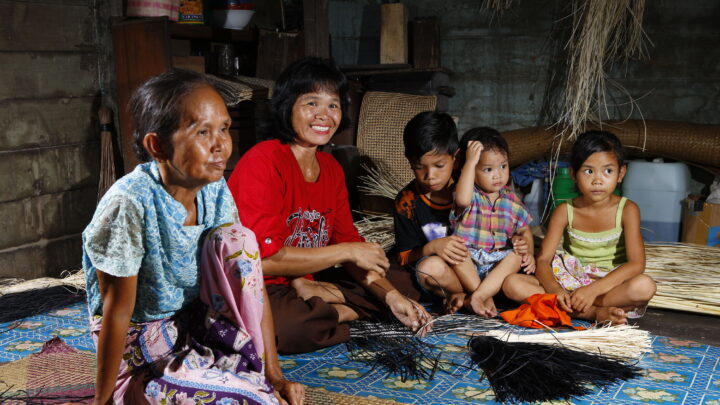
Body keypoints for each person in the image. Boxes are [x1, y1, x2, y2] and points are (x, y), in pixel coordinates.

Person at [82, 69, 303, 405]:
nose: (220, 145)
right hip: (144, 347)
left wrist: (274, 375)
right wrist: (101, 401)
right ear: (158, 146)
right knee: (245, 402)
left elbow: (250, 279)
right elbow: (117, 310)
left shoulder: (215, 190)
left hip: (198, 327)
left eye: (224, 129)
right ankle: (134, 389)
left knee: (240, 242)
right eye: (203, 131)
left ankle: (238, 373)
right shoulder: (129, 203)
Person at [228, 57, 432, 354]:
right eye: (311, 103)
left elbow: (348, 241)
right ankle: (343, 312)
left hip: (309, 281)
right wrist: (348, 252)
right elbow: (263, 259)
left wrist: (391, 297)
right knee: (287, 327)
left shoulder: (331, 167)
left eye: (333, 105)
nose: (323, 115)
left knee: (407, 282)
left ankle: (325, 298)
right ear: (288, 106)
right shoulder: (265, 160)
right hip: (259, 285)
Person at [519, 130, 656, 324]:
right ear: (573, 174)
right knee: (513, 284)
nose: (598, 180)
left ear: (621, 173)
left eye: (607, 171)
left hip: (608, 285)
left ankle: (575, 307)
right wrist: (556, 291)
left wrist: (592, 290)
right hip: (568, 281)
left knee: (644, 286)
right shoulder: (565, 210)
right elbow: (542, 259)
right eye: (588, 171)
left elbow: (636, 264)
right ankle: (594, 313)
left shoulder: (628, 210)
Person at [449, 127, 537, 317]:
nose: (498, 175)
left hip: (496, 266)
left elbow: (525, 231)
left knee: (514, 256)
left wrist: (527, 251)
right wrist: (470, 162)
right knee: (456, 250)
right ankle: (484, 297)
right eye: (488, 169)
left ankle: (478, 295)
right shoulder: (469, 193)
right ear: (471, 170)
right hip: (469, 263)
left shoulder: (511, 200)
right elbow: (462, 200)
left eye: (503, 166)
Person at [394, 111, 470, 314]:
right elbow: (403, 257)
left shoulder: (470, 186)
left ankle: (477, 294)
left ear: (456, 157)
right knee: (429, 267)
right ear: (409, 161)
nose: (430, 176)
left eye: (439, 165)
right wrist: (432, 247)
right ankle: (461, 295)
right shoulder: (406, 202)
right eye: (420, 167)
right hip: (445, 277)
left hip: (478, 265)